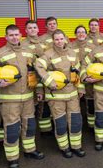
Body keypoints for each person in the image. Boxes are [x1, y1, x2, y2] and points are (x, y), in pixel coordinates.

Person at [0, 25, 45, 168]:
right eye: (11, 35)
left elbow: (36, 72)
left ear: (21, 35)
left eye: (16, 34)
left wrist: (39, 89)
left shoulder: (29, 52)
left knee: (30, 126)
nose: (14, 37)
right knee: (12, 129)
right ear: (6, 37)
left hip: (28, 98)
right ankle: (12, 158)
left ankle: (29, 150)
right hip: (9, 100)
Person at [35, 29, 86, 158]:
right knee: (61, 123)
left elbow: (78, 72)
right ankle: (64, 148)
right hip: (56, 96)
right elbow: (38, 66)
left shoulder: (72, 53)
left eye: (61, 39)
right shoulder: (48, 54)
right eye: (56, 39)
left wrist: (80, 88)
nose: (59, 41)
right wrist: (49, 81)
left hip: (72, 94)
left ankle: (76, 146)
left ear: (65, 39)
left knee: (75, 121)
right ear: (53, 40)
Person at [21, 20, 52, 135]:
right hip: (29, 80)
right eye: (30, 28)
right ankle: (31, 131)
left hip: (43, 78)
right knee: (30, 106)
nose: (32, 29)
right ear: (26, 30)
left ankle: (45, 131)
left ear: (38, 29)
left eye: (34, 27)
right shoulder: (22, 45)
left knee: (45, 104)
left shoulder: (45, 43)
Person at [71, 25, 95, 130]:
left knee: (90, 100)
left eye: (83, 32)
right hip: (74, 78)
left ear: (86, 34)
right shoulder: (69, 46)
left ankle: (91, 125)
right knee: (75, 102)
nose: (81, 34)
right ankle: (77, 124)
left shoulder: (93, 47)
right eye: (79, 32)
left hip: (88, 78)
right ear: (75, 34)